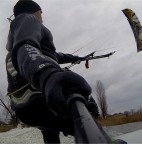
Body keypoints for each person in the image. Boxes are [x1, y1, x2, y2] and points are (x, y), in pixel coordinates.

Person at [6, 0, 99, 143]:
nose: (42, 15)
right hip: (41, 96)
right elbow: (26, 46)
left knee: (50, 132)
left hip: (23, 105)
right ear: (33, 10)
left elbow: (56, 56)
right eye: (41, 11)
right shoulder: (27, 18)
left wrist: (79, 57)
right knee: (88, 104)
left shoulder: (16, 40)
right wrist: (46, 74)